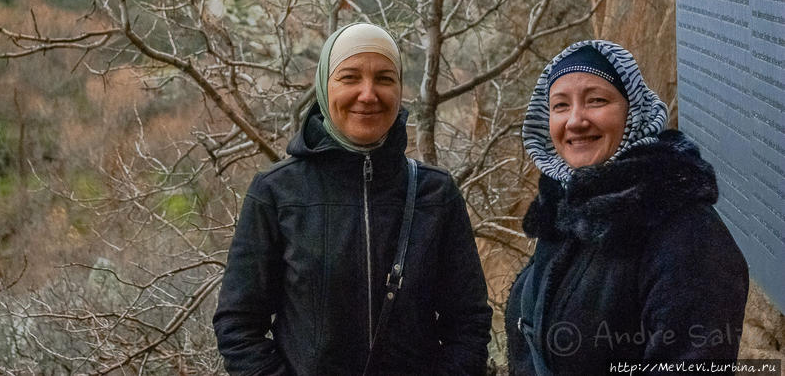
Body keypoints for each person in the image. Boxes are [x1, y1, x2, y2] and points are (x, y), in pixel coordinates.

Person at [214, 23, 492, 375]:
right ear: (324, 86)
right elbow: (238, 325)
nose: (368, 93)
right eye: (349, 77)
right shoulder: (276, 192)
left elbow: (469, 322)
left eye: (385, 79)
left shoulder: (435, 194)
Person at [505, 40, 749, 375]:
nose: (575, 120)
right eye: (560, 106)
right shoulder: (566, 207)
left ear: (633, 109)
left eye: (597, 101)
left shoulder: (688, 235)